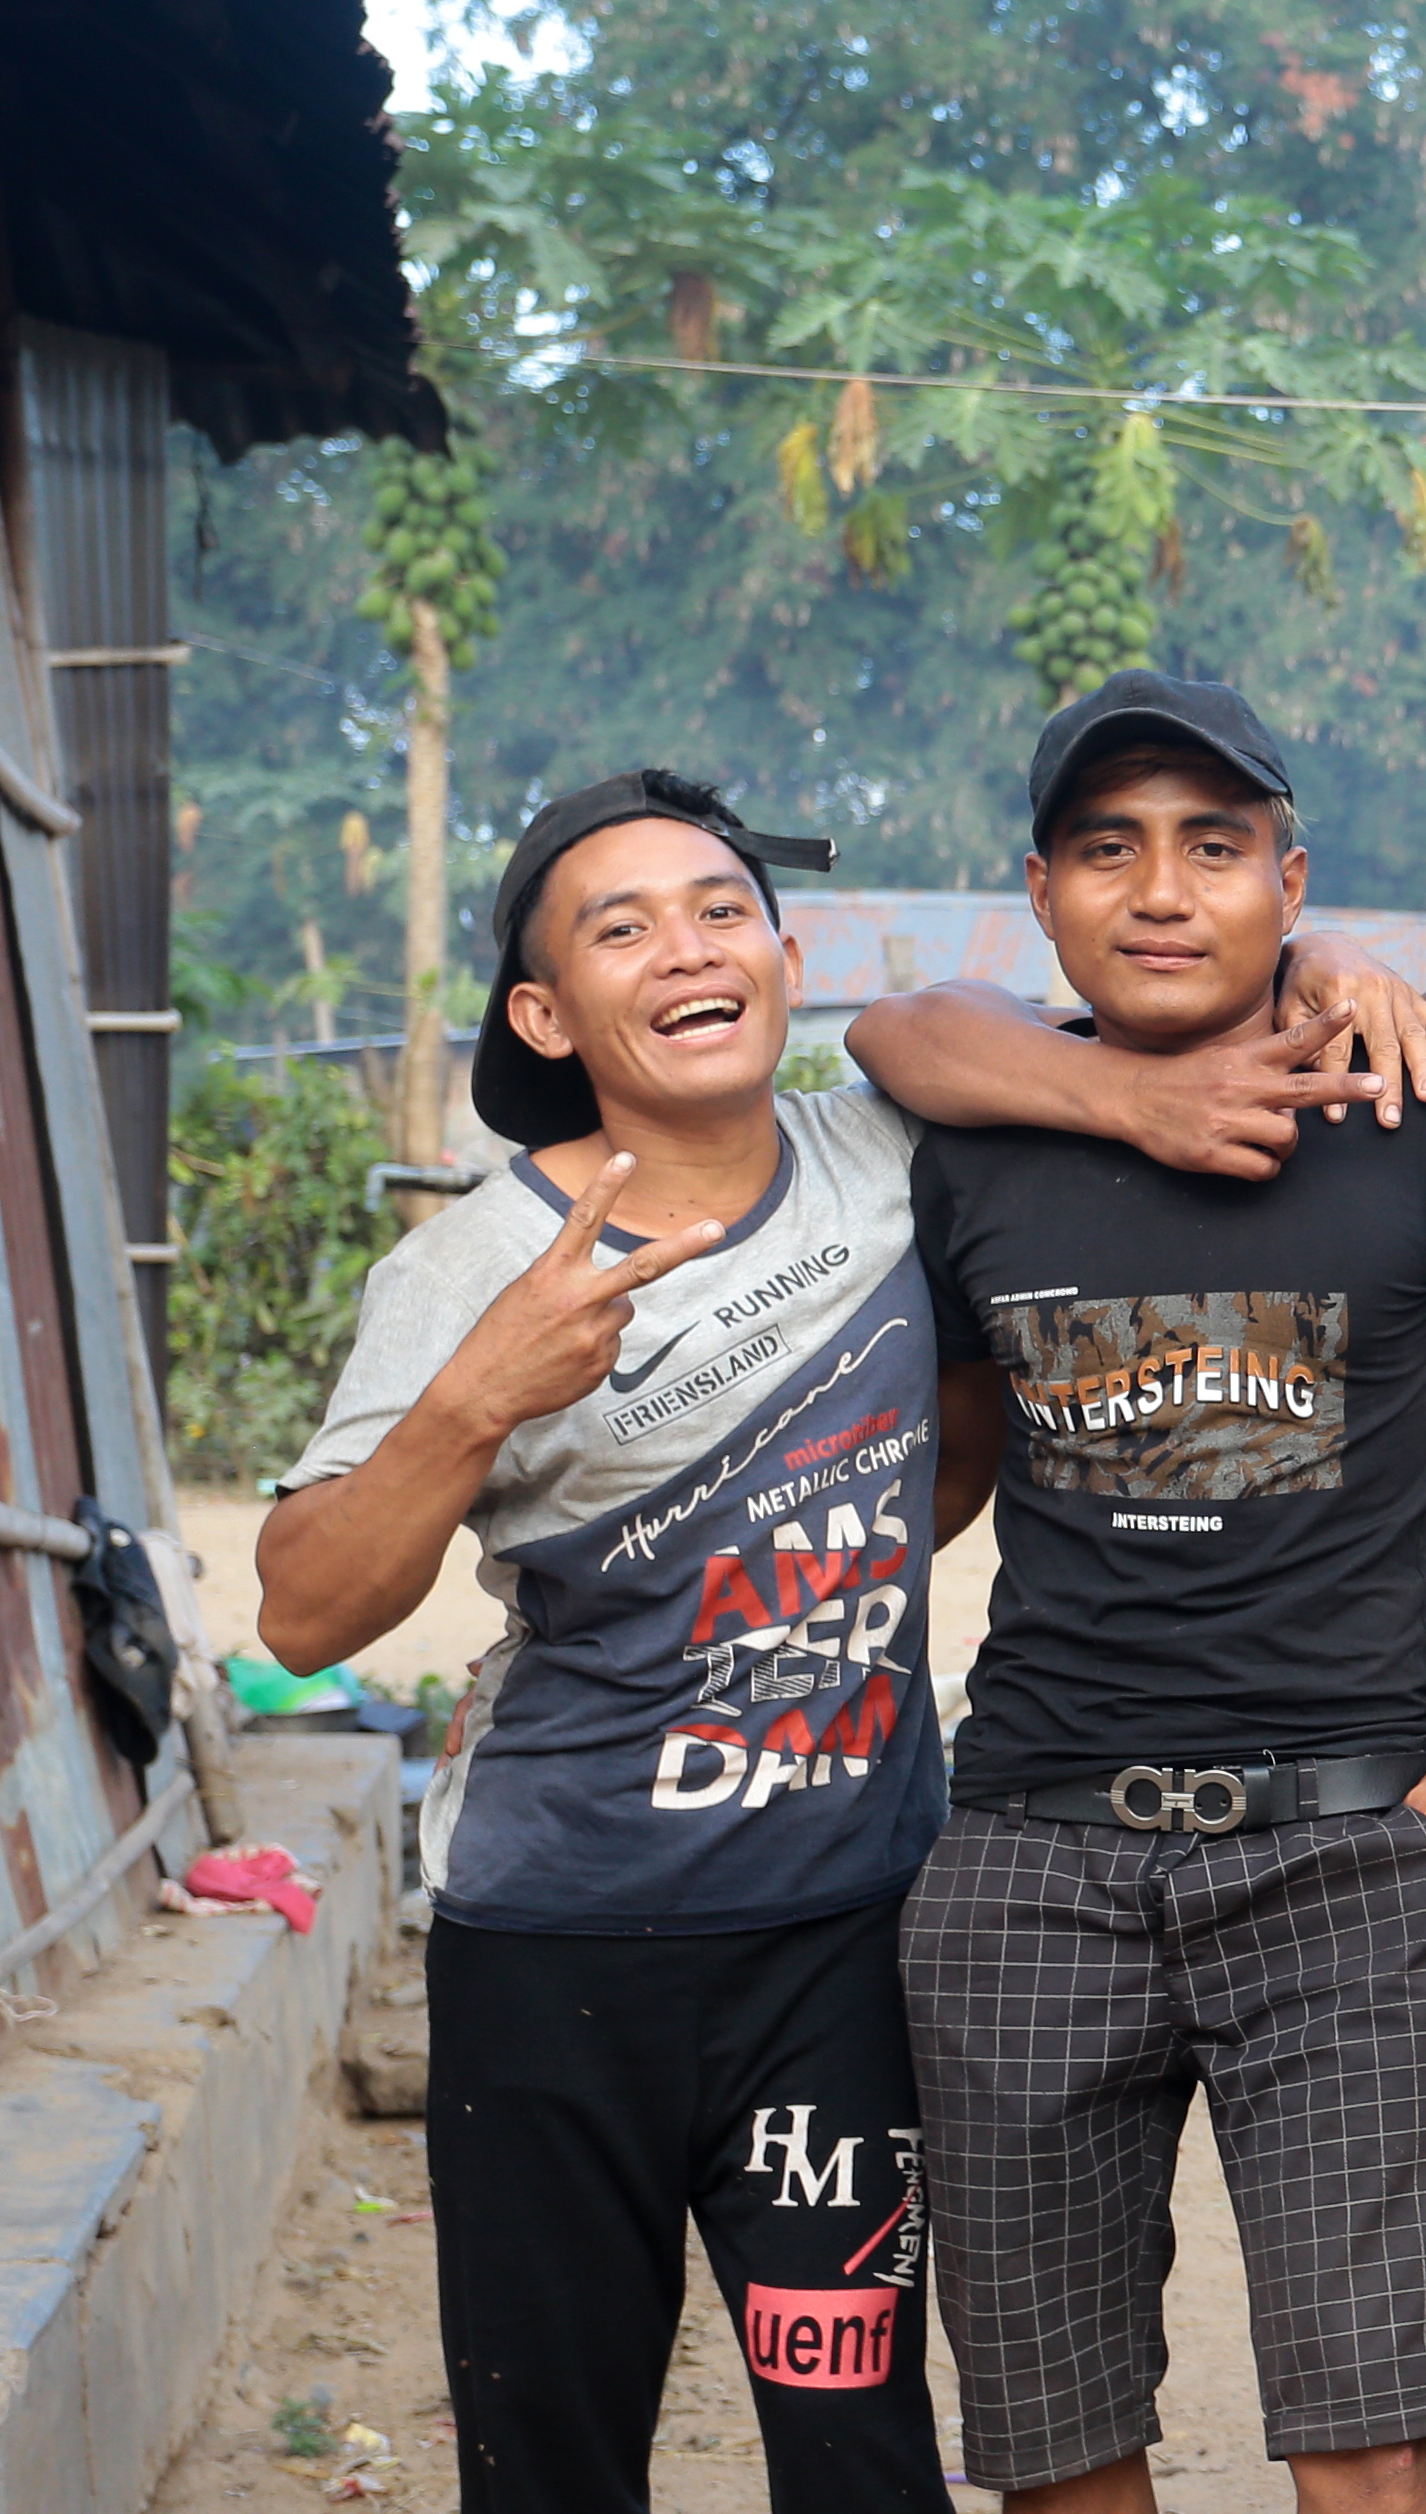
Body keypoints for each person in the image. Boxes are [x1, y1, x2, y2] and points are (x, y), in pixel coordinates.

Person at [851, 675, 1426, 2514]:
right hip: (1031, 1861)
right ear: (1036, 889)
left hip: (1344, 1862)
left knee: (1370, 2436)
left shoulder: (1423, 1114)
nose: (1162, 891)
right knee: (1055, 2439)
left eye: (1214, 849)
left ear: (1295, 886)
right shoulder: (970, 1148)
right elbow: (953, 1468)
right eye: (1109, 850)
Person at [255, 771, 955, 2514]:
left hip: (839, 1949)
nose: (688, 949)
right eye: (621, 926)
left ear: (786, 957)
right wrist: (480, 1393)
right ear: (549, 1014)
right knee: (552, 2464)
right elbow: (302, 1604)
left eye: (721, 908)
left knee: (861, 2456)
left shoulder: (896, 1169)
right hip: (556, 1946)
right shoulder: (465, 1263)